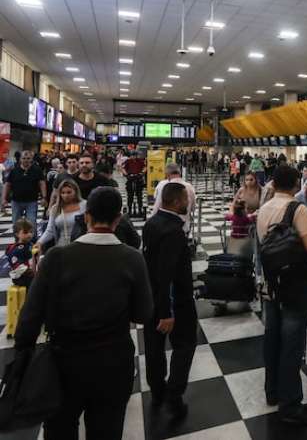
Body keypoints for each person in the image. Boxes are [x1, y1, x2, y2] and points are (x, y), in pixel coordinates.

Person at [15, 187, 153, 439]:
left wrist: (22, 360)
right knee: (106, 431)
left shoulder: (56, 257)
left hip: (63, 361)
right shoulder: (132, 258)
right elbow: (143, 313)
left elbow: (30, 316)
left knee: (59, 430)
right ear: (118, 218)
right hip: (113, 361)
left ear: (86, 216)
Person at [256, 164, 307, 425]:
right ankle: (291, 405)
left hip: (272, 283)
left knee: (272, 338)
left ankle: (272, 391)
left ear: (273, 184)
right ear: (296, 183)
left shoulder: (264, 208)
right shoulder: (297, 208)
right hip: (296, 285)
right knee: (292, 343)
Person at [142, 182, 197, 418]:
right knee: (185, 345)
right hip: (174, 302)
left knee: (154, 347)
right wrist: (167, 311)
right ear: (175, 201)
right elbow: (167, 274)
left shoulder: (151, 223)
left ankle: (157, 390)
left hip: (151, 298)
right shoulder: (173, 231)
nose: (188, 202)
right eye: (185, 198)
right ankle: (174, 394)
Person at [37, 180, 86, 250]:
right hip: (61, 246)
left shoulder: (84, 205)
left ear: (75, 192)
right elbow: (50, 230)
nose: (66, 195)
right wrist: (39, 242)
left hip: (80, 245)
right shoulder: (55, 209)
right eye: (63, 193)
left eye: (69, 192)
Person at [2, 150, 46, 226]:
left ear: (31, 159)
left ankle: (32, 238)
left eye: (28, 158)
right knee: (16, 222)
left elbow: (42, 183)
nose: (26, 160)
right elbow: (7, 185)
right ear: (20, 159)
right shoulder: (14, 170)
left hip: (31, 201)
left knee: (31, 222)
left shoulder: (37, 170)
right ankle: (18, 238)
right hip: (16, 201)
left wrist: (44, 197)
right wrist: (4, 198)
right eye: (24, 158)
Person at [151, 163, 197, 234]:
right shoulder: (189, 187)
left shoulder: (164, 186)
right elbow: (193, 208)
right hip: (184, 228)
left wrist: (152, 222)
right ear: (180, 173)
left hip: (166, 228)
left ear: (167, 174)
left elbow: (157, 207)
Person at [6, 219, 36, 287]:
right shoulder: (17, 249)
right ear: (17, 234)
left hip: (29, 272)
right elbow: (15, 264)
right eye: (25, 232)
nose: (29, 234)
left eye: (31, 232)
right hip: (20, 277)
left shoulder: (29, 244)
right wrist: (27, 270)